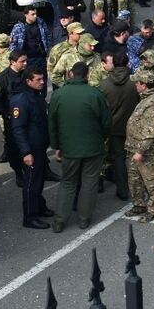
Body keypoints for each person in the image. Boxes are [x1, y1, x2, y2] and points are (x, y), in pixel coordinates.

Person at [47, 60, 110, 232]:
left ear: (71, 74)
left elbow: (52, 124)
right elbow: (106, 122)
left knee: (68, 182)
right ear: (88, 74)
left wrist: (57, 146)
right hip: (93, 147)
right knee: (89, 182)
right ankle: (84, 218)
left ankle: (59, 220)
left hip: (69, 148)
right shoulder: (95, 94)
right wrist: (100, 138)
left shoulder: (58, 95)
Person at [12, 68, 51, 229]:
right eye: (38, 80)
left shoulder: (36, 96)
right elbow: (18, 128)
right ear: (28, 81)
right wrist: (26, 152)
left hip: (40, 146)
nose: (43, 82)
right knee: (31, 183)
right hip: (31, 149)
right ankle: (30, 216)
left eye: (43, 79)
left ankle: (39, 207)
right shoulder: (21, 101)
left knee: (39, 180)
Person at [126, 69, 154, 222]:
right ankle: (139, 205)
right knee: (135, 180)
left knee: (153, 181)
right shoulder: (146, 98)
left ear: (144, 85)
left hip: (148, 151)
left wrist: (140, 150)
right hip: (135, 147)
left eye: (137, 83)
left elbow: (151, 130)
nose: (135, 85)